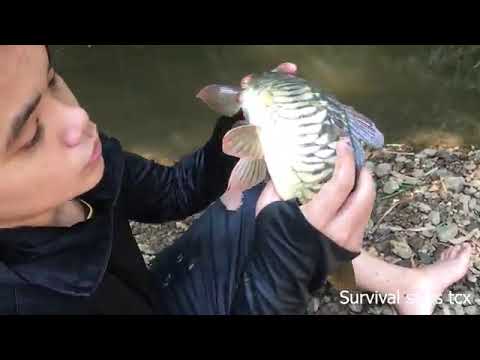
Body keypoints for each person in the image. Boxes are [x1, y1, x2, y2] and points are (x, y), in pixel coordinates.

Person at [0, 45, 472, 315]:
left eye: (53, 80)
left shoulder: (83, 159)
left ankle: (402, 285)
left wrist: (244, 131)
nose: (79, 119)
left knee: (266, 199)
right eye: (28, 134)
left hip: (154, 299)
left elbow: (172, 192)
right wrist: (278, 277)